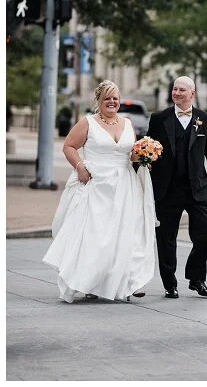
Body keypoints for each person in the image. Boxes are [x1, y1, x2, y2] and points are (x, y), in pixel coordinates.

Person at [43, 80, 156, 302]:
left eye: (115, 97)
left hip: (125, 185)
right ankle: (91, 282)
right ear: (99, 101)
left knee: (126, 233)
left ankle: (128, 282)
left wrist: (144, 156)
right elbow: (68, 146)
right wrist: (79, 166)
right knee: (97, 236)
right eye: (107, 98)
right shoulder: (88, 123)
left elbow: (128, 155)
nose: (112, 101)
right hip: (96, 185)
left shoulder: (127, 123)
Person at [146, 76, 207, 299]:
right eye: (174, 89)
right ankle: (169, 283)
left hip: (198, 188)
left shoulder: (205, 119)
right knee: (166, 236)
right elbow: (148, 150)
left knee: (205, 231)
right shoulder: (159, 119)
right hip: (167, 188)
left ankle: (197, 279)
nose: (176, 93)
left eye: (182, 90)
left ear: (192, 94)